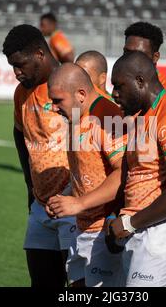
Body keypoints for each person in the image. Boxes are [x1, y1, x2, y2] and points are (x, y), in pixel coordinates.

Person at [107, 51, 166, 287]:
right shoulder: (144, 116)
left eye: (119, 86)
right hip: (143, 227)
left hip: (165, 229)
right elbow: (137, 177)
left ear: (140, 81)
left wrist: (129, 223)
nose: (114, 94)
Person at [2, 24, 76, 287]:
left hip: (75, 203)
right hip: (40, 204)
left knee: (79, 284)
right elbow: (18, 133)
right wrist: (29, 185)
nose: (16, 73)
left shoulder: (72, 85)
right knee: (43, 281)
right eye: (12, 66)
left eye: (20, 64)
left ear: (40, 54)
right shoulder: (22, 93)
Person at [46, 63, 125, 287]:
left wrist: (79, 203)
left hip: (106, 231)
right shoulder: (75, 116)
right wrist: (65, 196)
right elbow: (90, 171)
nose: (53, 107)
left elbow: (124, 173)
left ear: (80, 94)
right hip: (83, 227)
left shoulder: (107, 116)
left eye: (58, 100)